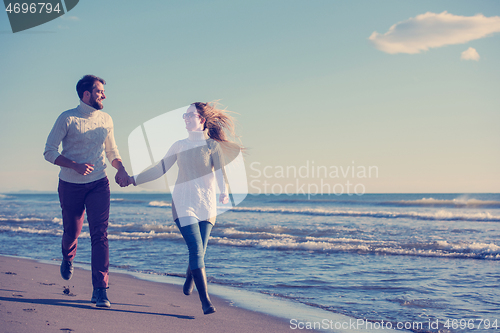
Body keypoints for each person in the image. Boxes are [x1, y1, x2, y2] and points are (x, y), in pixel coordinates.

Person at [124, 102, 241, 315]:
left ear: (202, 120)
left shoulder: (212, 146)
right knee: (196, 249)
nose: (186, 119)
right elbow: (160, 169)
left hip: (207, 205)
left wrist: (224, 192)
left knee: (200, 252)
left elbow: (219, 172)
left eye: (190, 115)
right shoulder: (179, 145)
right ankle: (205, 300)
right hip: (183, 202)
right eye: (184, 116)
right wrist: (134, 179)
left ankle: (190, 276)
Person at [44, 75, 130, 308]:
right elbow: (49, 151)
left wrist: (120, 168)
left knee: (100, 234)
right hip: (70, 185)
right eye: (100, 91)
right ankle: (67, 256)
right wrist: (74, 165)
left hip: (99, 183)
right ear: (86, 94)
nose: (104, 95)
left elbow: (112, 151)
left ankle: (100, 290)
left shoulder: (106, 119)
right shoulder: (67, 118)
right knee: (72, 231)